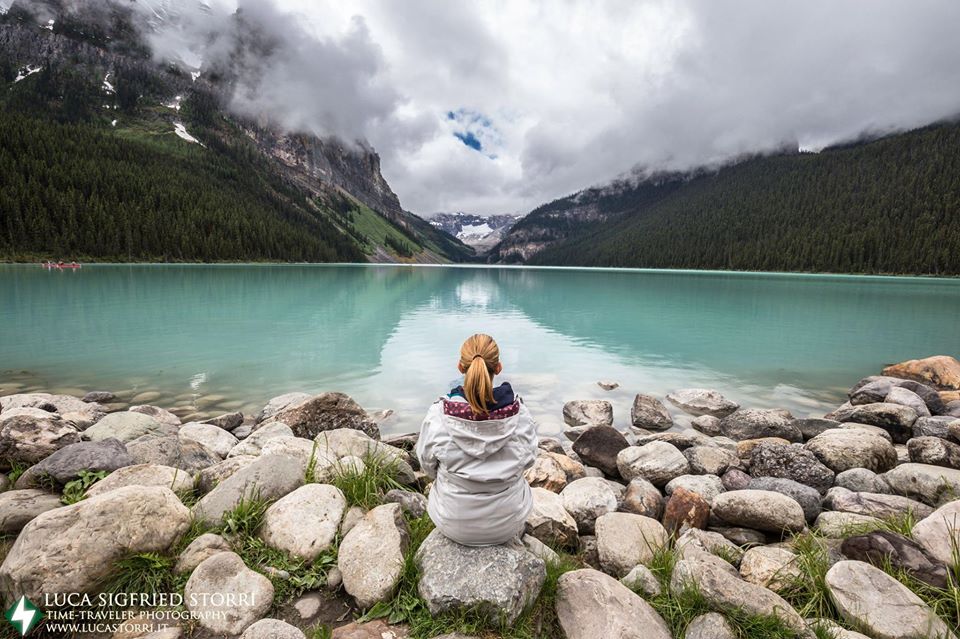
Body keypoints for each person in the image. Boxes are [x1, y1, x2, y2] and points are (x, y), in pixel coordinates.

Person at [415, 333, 539, 546]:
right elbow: (529, 461)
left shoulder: (438, 415)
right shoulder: (521, 415)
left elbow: (427, 465)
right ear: (498, 368)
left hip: (452, 522)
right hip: (507, 524)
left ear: (460, 367)